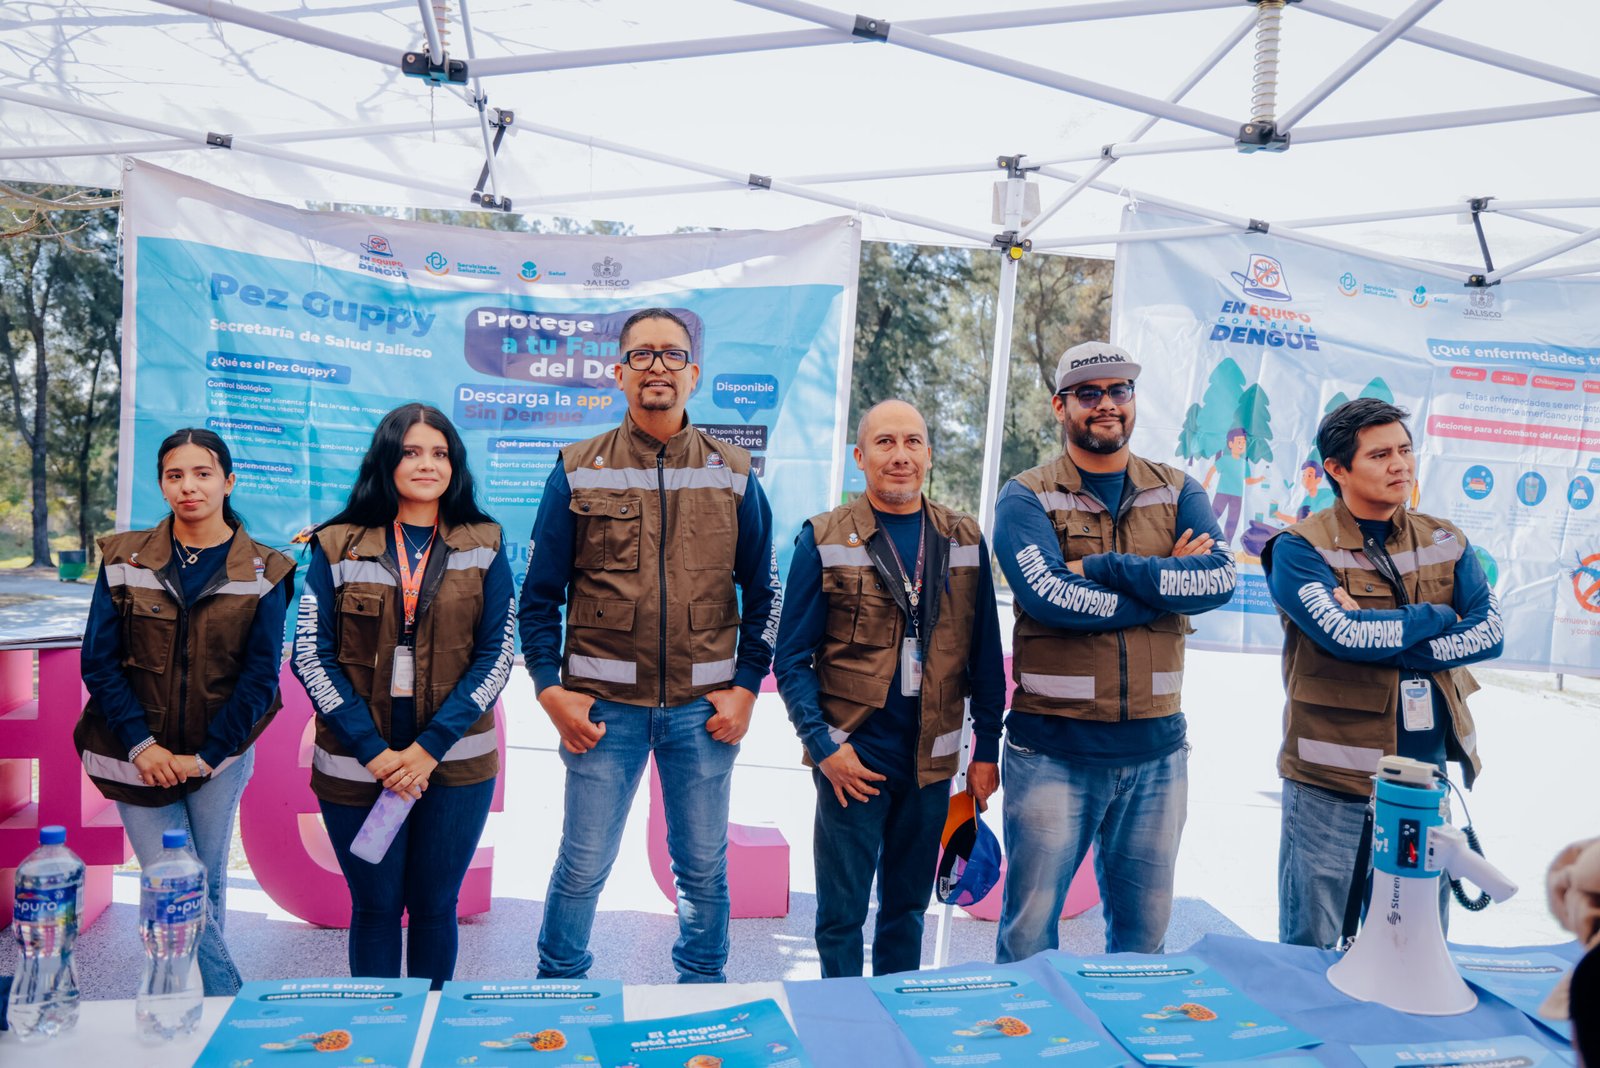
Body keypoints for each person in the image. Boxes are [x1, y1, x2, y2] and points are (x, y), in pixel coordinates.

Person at [519, 307, 781, 983]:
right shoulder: (578, 470)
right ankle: (560, 988)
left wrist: (747, 688)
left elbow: (765, 592)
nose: (656, 366)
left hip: (704, 712)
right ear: (619, 374)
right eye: (641, 355)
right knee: (582, 865)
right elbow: (538, 598)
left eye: (671, 355)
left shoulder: (733, 472)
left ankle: (699, 990)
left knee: (701, 868)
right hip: (605, 713)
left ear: (693, 375)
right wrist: (551, 690)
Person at [992, 341, 1237, 960]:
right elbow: (1048, 595)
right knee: (1028, 939)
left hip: (1157, 755)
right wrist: (1162, 589)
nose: (1107, 404)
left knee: (1142, 945)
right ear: (1060, 406)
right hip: (1053, 751)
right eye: (1089, 393)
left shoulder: (1179, 489)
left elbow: (1218, 580)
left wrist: (1100, 566)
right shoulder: (1026, 497)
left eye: (1119, 390)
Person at [774, 399, 1005, 978]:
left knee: (907, 912)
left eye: (911, 442)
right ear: (860, 457)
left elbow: (985, 658)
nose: (899, 455)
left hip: (933, 764)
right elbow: (791, 659)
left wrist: (986, 751)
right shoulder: (824, 538)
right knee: (841, 915)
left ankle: (894, 1021)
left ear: (928, 453)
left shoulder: (964, 538)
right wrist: (827, 750)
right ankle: (842, 1027)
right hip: (855, 762)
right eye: (884, 443)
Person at [1261, 398, 1501, 949]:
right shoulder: (1300, 549)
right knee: (1312, 946)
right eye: (1380, 454)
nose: (1400, 465)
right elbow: (1342, 636)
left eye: (1405, 450)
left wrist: (1381, 635)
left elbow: (1489, 633)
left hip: (1423, 781)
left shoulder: (1446, 540)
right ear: (1337, 470)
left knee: (1415, 946)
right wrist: (1438, 618)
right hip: (1329, 781)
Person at [291, 403, 515, 988]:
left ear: (455, 464)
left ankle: (430, 1029)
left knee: (437, 907)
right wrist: (376, 753)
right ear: (386, 459)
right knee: (374, 907)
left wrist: (427, 750)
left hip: (455, 761)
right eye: (412, 452)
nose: (427, 464)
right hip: (357, 762)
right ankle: (376, 1035)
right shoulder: (336, 544)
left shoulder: (485, 542)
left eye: (439, 453)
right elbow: (311, 656)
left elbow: (496, 657)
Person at [76, 428, 294, 995]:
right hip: (134, 752)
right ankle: (227, 1005)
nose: (189, 486)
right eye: (176, 475)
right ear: (162, 484)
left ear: (228, 481)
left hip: (218, 756)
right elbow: (100, 664)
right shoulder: (123, 557)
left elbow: (258, 678)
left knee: (207, 880)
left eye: (203, 473)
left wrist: (209, 756)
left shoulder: (267, 569)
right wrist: (143, 748)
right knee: (175, 880)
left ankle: (181, 1006)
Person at [1202, 426, 1265, 544]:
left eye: (1243, 442)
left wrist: (1260, 479)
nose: (1241, 444)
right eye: (1239, 441)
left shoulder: (1244, 464)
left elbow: (1248, 481)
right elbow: (1212, 469)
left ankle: (1227, 544)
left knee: (1233, 520)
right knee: (1214, 515)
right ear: (1230, 444)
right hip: (1222, 493)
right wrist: (1206, 482)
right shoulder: (1225, 459)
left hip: (1237, 496)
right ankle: (1204, 538)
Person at [1273, 459, 1334, 525]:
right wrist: (1279, 515)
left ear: (1318, 479)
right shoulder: (1306, 500)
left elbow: (1317, 516)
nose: (1305, 479)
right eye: (1303, 475)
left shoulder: (1327, 494)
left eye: (1309, 476)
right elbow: (1298, 521)